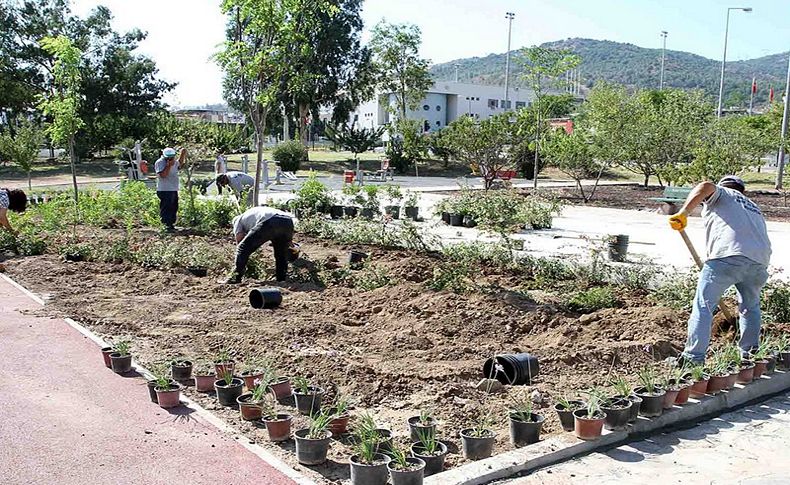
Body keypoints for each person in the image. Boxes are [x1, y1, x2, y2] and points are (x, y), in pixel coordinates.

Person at [668, 175, 771, 364]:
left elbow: (705, 186)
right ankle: (750, 356)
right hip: (759, 262)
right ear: (743, 191)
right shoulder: (753, 206)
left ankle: (693, 358)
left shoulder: (722, 193)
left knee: (704, 306)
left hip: (727, 257)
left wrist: (683, 213)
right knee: (750, 307)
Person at [225, 206, 299, 284]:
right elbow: (287, 242)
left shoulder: (238, 221)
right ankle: (281, 279)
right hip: (287, 221)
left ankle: (235, 278)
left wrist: (243, 258)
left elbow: (240, 242)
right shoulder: (251, 215)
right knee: (281, 254)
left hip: (270, 221)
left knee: (242, 248)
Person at [154, 147, 186, 232]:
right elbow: (163, 175)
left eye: (172, 157)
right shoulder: (160, 162)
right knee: (166, 207)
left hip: (173, 188)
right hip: (165, 189)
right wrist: (168, 165)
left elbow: (179, 165)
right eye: (169, 157)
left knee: (173, 207)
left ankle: (171, 225)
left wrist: (182, 154)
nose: (171, 159)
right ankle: (166, 226)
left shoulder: (174, 162)